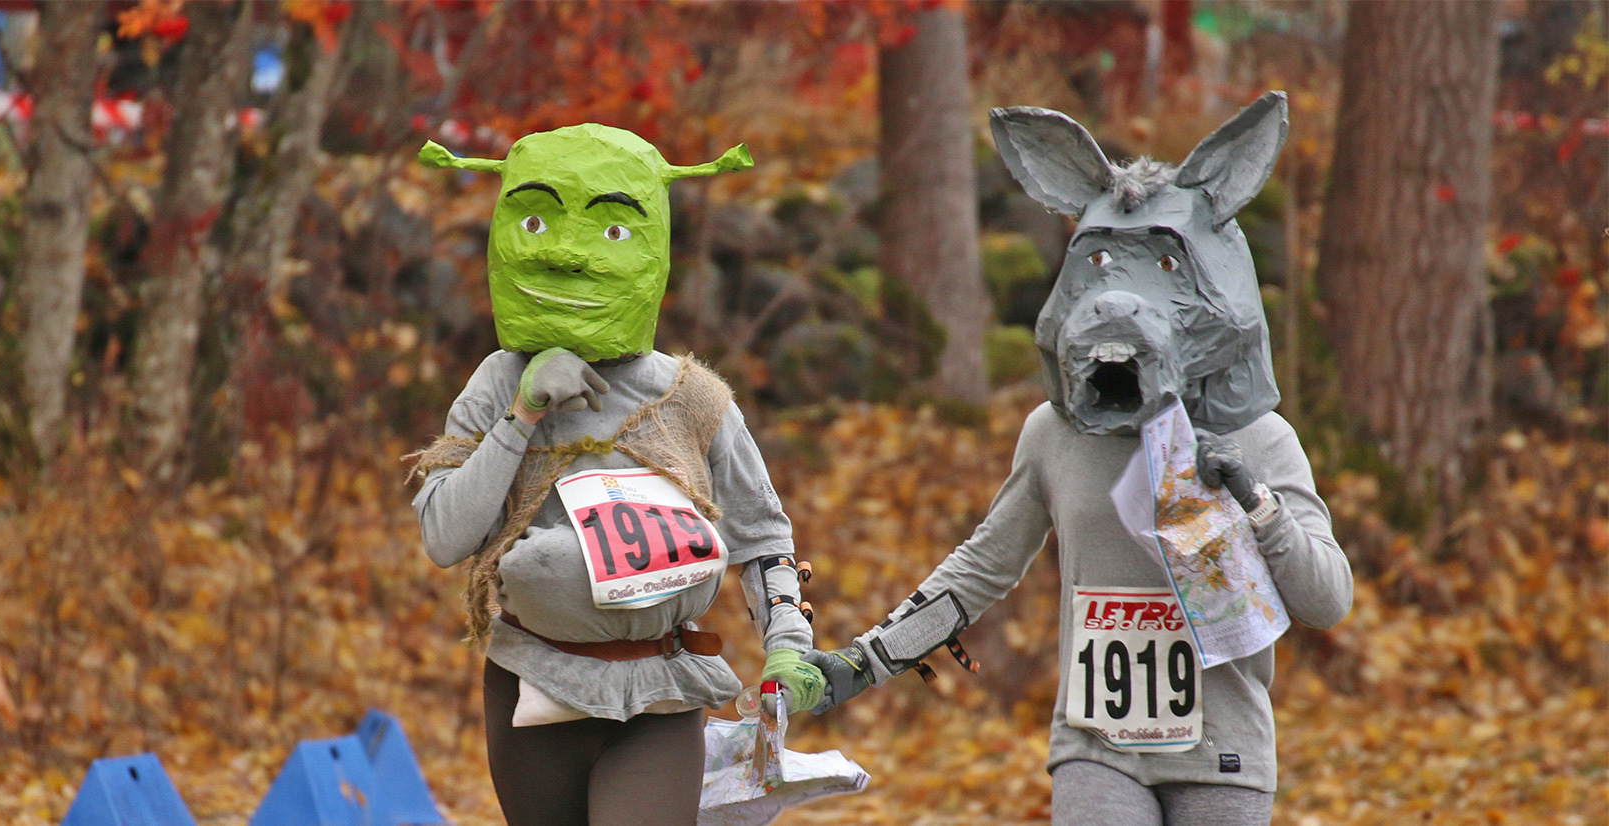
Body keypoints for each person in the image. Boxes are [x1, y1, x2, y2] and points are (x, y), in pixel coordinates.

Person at [806, 92, 1353, 825]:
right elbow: (981, 567)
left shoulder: (1262, 438)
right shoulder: (1055, 434)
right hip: (1096, 750)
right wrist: (864, 662)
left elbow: (1328, 599)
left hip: (1223, 750)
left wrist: (1256, 504)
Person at [409, 123, 825, 826]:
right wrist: (522, 413)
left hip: (661, 693)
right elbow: (445, 537)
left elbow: (762, 536)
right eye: (538, 224)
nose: (568, 257)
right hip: (532, 685)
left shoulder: (692, 396)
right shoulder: (497, 382)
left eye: (609, 232)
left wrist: (788, 643)